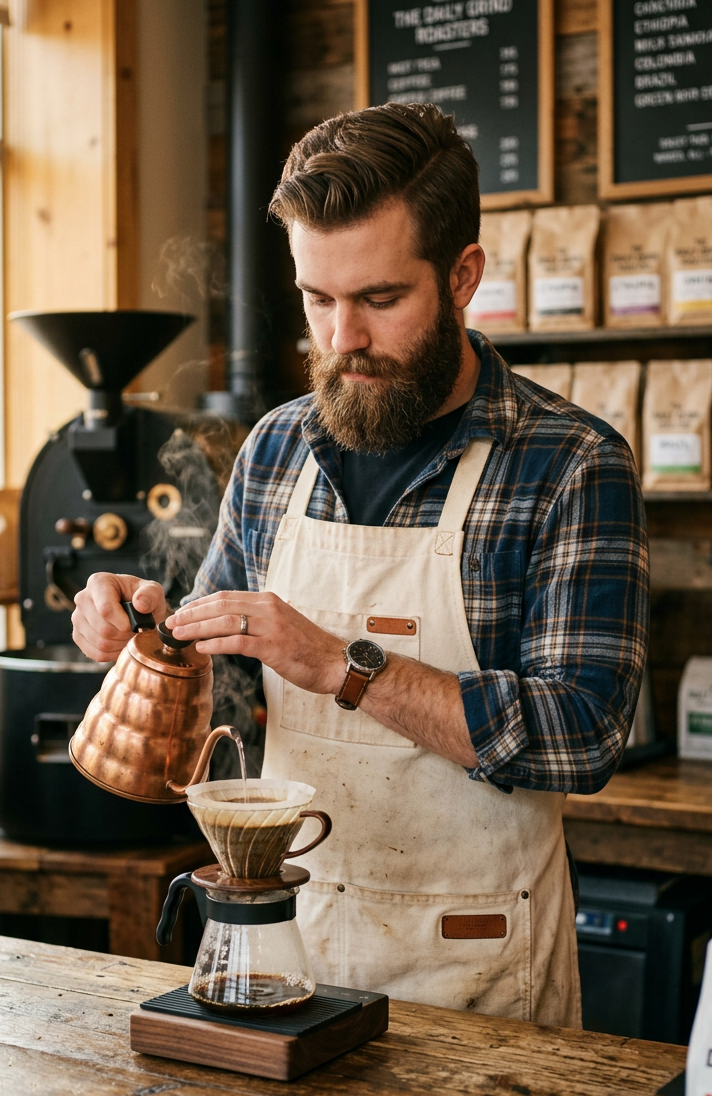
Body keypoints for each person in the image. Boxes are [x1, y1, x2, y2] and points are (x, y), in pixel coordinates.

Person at [72, 103, 648, 1027]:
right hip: (286, 952)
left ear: (462, 277)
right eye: (318, 299)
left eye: (380, 300)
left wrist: (345, 667)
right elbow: (227, 694)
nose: (342, 338)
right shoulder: (274, 450)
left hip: (479, 978)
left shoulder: (569, 463)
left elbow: (584, 735)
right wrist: (152, 644)